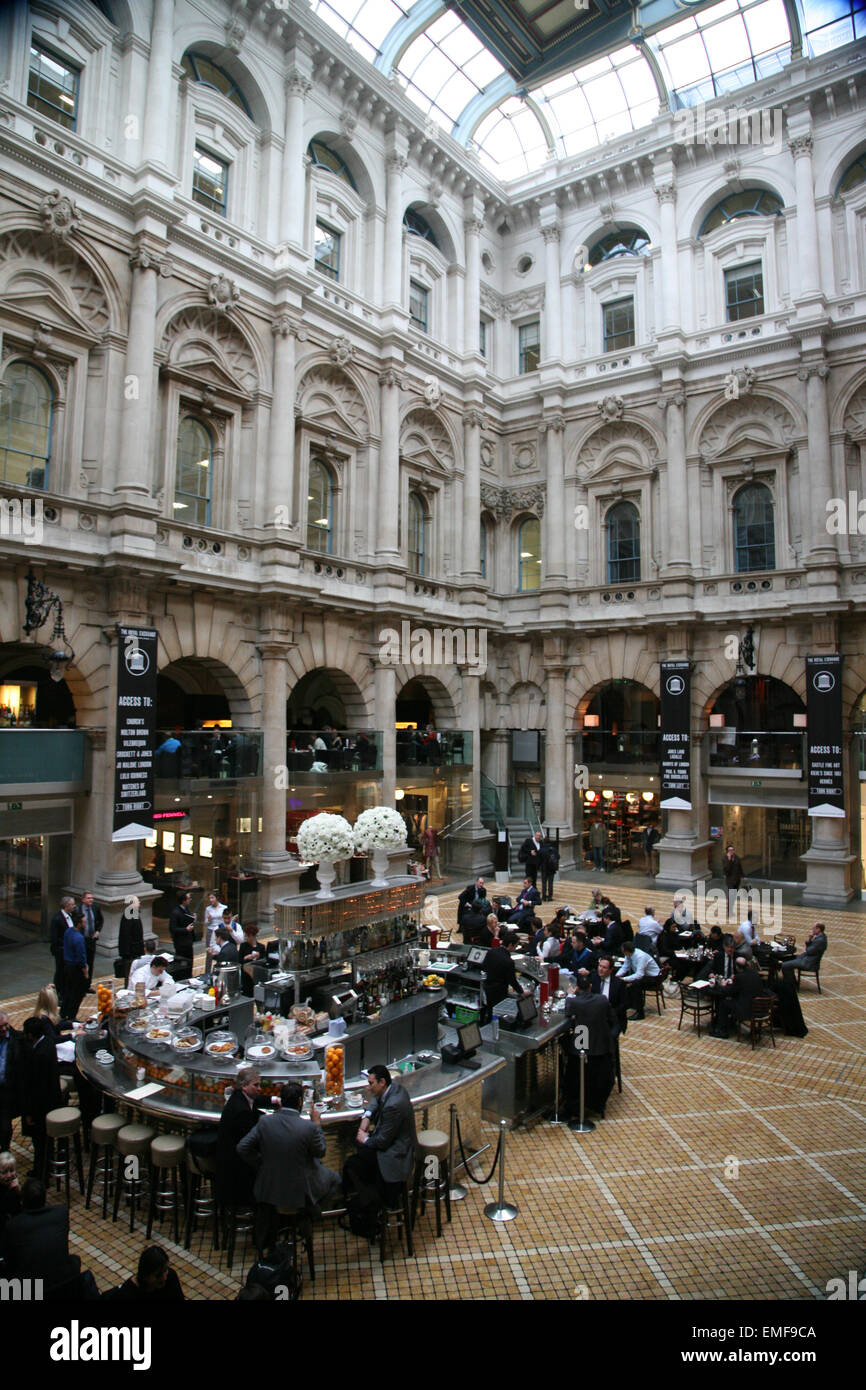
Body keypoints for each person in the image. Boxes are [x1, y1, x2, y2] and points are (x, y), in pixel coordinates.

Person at [237, 1081, 343, 1252]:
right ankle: (310, 1214)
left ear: (281, 1100)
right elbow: (321, 1152)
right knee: (335, 1179)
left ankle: (286, 1219)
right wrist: (317, 1123)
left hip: (269, 1189)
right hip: (299, 1191)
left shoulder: (265, 1122)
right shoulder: (308, 1128)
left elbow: (242, 1147)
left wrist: (261, 1163)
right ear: (300, 1102)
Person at [0, 1178, 88, 1296]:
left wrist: (13, 1197)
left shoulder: (14, 1225)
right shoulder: (61, 1213)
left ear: (23, 1200)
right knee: (74, 1260)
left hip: (32, 1290)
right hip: (63, 1283)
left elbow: (10, 1262)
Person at [344, 1065, 417, 1206]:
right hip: (391, 1141)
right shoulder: (393, 1087)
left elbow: (382, 1142)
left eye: (371, 1083)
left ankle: (373, 1200)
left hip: (395, 1153)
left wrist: (364, 1138)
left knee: (352, 1166)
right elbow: (376, 1100)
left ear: (382, 1082)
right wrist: (367, 1116)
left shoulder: (393, 1105)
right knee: (360, 1152)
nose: (369, 1088)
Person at [563, 975, 616, 1123]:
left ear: (577, 988)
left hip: (582, 1045)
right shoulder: (602, 1000)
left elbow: (567, 1012)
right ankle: (596, 1105)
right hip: (602, 1046)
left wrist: (570, 994)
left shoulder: (573, 1001)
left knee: (573, 1071)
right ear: (591, 987)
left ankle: (574, 1105)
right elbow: (612, 1019)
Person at [216, 1066, 267, 1208]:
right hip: (235, 1167)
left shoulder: (240, 1097)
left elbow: (258, 1101)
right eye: (256, 1085)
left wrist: (276, 1100)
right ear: (244, 1086)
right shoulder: (241, 1110)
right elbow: (249, 1143)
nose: (260, 1088)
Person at [103, 1245, 185, 1301]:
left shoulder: (170, 1277)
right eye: (158, 1275)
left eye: (165, 1270)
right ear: (145, 1276)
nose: (164, 1277)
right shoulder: (126, 1296)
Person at [712, 958, 768, 1038]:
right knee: (734, 1001)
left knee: (723, 1003)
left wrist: (722, 986)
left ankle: (722, 1031)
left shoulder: (739, 977)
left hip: (747, 1010)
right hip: (760, 1007)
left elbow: (730, 992)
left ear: (737, 967)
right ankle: (731, 1023)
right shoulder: (755, 974)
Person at [616, 940, 660, 1020]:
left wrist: (624, 979)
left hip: (653, 977)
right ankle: (629, 1003)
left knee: (635, 985)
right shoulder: (628, 955)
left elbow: (639, 975)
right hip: (644, 976)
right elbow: (625, 967)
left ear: (626, 951)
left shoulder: (640, 956)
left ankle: (640, 1013)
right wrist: (617, 976)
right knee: (629, 983)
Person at [481, 941, 529, 1009]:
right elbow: (512, 980)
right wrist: (521, 992)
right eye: (515, 946)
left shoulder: (492, 951)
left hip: (487, 986)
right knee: (498, 1010)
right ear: (510, 945)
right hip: (499, 991)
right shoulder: (508, 961)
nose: (515, 949)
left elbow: (484, 966)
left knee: (489, 1009)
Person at [588, 956, 628, 1037]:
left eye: (604, 967)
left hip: (614, 1019)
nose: (600, 969)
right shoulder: (594, 978)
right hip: (596, 1018)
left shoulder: (619, 984)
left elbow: (624, 1004)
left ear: (610, 970)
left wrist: (610, 1013)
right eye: (600, 966)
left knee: (611, 1038)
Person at [0, 1013, 21, 1152]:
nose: (3, 1029)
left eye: (5, 1025)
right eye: (0, 1027)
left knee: (5, 1126)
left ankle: (5, 1150)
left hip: (6, 1089)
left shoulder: (17, 1039)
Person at [62, 913, 88, 1021]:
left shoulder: (68, 931)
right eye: (84, 921)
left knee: (68, 991)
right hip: (76, 968)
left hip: (67, 966)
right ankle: (72, 1016)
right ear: (79, 923)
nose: (85, 923)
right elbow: (81, 957)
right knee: (77, 993)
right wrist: (85, 972)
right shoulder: (79, 938)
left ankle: (63, 1013)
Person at [49, 896, 76, 996]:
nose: (74, 906)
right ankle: (58, 993)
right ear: (67, 906)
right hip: (61, 951)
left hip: (69, 950)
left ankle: (66, 991)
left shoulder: (71, 915)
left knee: (67, 972)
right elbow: (55, 938)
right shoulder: (57, 919)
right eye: (72, 904)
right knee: (60, 972)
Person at [117, 898, 145, 986]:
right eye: (138, 901)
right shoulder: (128, 915)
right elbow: (125, 936)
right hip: (131, 952)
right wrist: (127, 953)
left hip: (137, 950)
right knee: (129, 973)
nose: (140, 902)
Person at [79, 890, 103, 990]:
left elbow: (100, 920)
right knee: (82, 963)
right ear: (83, 899)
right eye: (89, 898)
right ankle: (80, 986)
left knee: (90, 963)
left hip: (91, 940)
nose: (91, 900)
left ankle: (87, 986)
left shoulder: (95, 908)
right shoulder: (78, 910)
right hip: (82, 940)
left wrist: (98, 931)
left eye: (92, 898)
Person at [169, 890, 196, 965]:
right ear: (183, 901)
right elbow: (172, 929)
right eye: (188, 898)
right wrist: (186, 929)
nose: (190, 900)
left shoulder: (186, 909)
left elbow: (186, 921)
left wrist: (193, 919)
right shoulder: (175, 913)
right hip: (181, 943)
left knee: (190, 962)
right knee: (182, 963)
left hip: (188, 941)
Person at [239, 923, 267, 996]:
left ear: (251, 936)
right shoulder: (243, 946)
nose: (245, 937)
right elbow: (239, 961)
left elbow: (265, 962)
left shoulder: (261, 947)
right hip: (246, 978)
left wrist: (259, 956)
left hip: (257, 976)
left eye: (246, 936)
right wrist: (246, 958)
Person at [0, 1150, 22, 1233]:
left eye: (12, 1170)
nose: (9, 1175)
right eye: (4, 1172)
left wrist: (18, 1190)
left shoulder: (13, 1186)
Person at [539, 833, 559, 901]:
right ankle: (550, 896)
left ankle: (544, 896)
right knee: (550, 883)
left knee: (544, 883)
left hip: (544, 868)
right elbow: (558, 857)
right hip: (552, 868)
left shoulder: (541, 850)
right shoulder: (554, 849)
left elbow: (539, 859)